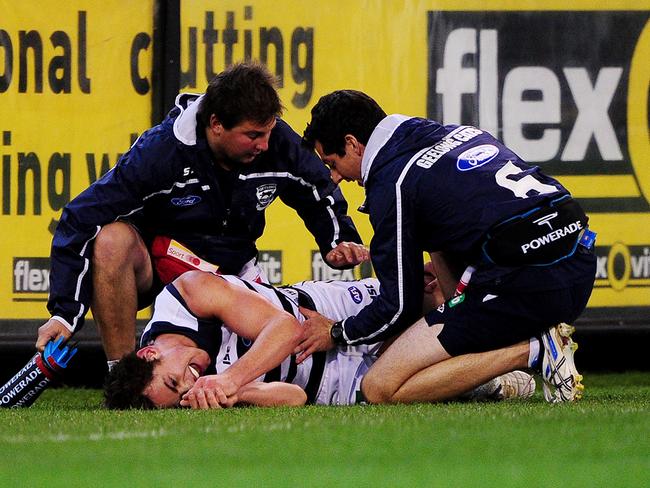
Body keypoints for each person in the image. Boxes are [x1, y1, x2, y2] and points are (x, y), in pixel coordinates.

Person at [35, 63, 367, 368]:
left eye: (269, 131)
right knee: (110, 240)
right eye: (253, 135)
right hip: (162, 271)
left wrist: (338, 239)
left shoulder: (278, 142)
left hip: (234, 278)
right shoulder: (161, 152)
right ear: (216, 125)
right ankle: (124, 374)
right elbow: (80, 216)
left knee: (277, 362)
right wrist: (65, 314)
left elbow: (317, 190)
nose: (265, 145)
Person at [297, 90, 596, 403]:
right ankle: (498, 354)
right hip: (580, 263)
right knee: (439, 254)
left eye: (332, 162)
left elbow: (399, 306)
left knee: (379, 387)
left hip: (529, 286)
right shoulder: (457, 133)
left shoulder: (392, 182)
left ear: (352, 143)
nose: (336, 177)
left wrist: (335, 332)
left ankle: (533, 351)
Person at [104, 270, 536, 409]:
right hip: (331, 383)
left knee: (434, 290)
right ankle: (525, 353)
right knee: (381, 392)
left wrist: (229, 380)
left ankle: (528, 300)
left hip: (328, 317)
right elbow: (293, 397)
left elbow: (285, 329)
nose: (191, 382)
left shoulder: (190, 293)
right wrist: (242, 393)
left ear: (151, 352)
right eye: (181, 395)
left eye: (176, 379)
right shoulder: (201, 396)